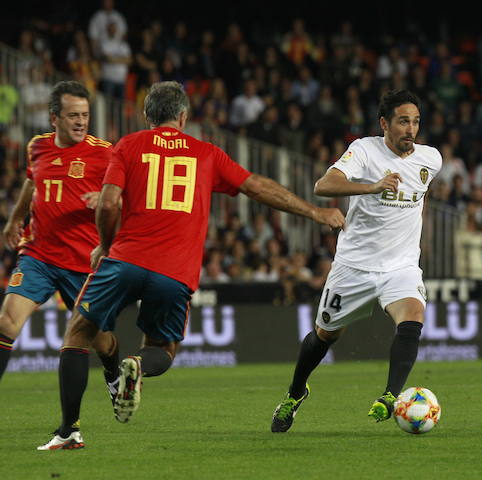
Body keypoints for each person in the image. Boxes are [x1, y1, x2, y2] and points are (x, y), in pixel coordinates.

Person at [47, 81, 344, 450]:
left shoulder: (129, 145)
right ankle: (137, 365)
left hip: (124, 260)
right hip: (174, 272)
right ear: (183, 117)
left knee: (78, 331)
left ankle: (69, 431)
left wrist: (105, 247)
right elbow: (257, 187)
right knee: (162, 350)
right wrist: (315, 212)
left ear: (146, 116)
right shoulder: (206, 154)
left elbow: (108, 204)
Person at [269, 89, 442, 433]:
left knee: (414, 316)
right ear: (384, 124)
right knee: (324, 335)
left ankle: (392, 396)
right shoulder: (365, 150)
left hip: (400, 266)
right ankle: (294, 392)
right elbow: (324, 185)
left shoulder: (431, 159)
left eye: (416, 121)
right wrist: (372, 187)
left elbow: (419, 201)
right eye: (403, 121)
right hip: (354, 266)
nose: (411, 129)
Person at [0, 81, 121, 449]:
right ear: (55, 118)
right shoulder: (37, 146)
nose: (81, 122)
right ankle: (72, 429)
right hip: (37, 254)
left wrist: (104, 197)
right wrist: (15, 219)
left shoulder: (105, 153)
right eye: (73, 116)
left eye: (85, 115)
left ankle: (114, 370)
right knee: (6, 320)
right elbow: (31, 182)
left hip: (83, 262)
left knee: (98, 341)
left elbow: (126, 193)